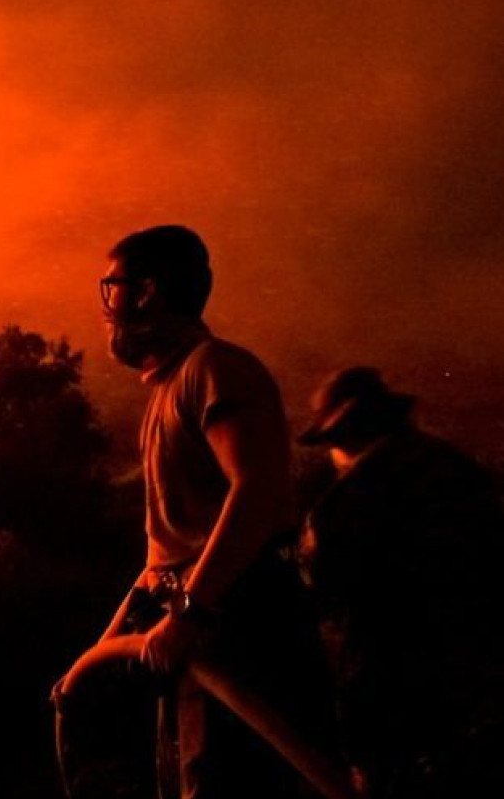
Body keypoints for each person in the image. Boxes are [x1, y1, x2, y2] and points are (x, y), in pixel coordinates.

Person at [54, 225, 334, 798]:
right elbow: (173, 544)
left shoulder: (215, 370)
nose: (107, 307)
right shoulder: (172, 388)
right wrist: (105, 645)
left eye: (113, 288)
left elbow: (256, 492)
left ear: (149, 292)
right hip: (202, 622)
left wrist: (188, 616)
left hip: (242, 622)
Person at [297, 367, 504, 797]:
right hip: (481, 677)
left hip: (389, 687)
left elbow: (323, 596)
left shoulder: (345, 504)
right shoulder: (459, 470)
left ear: (341, 439)